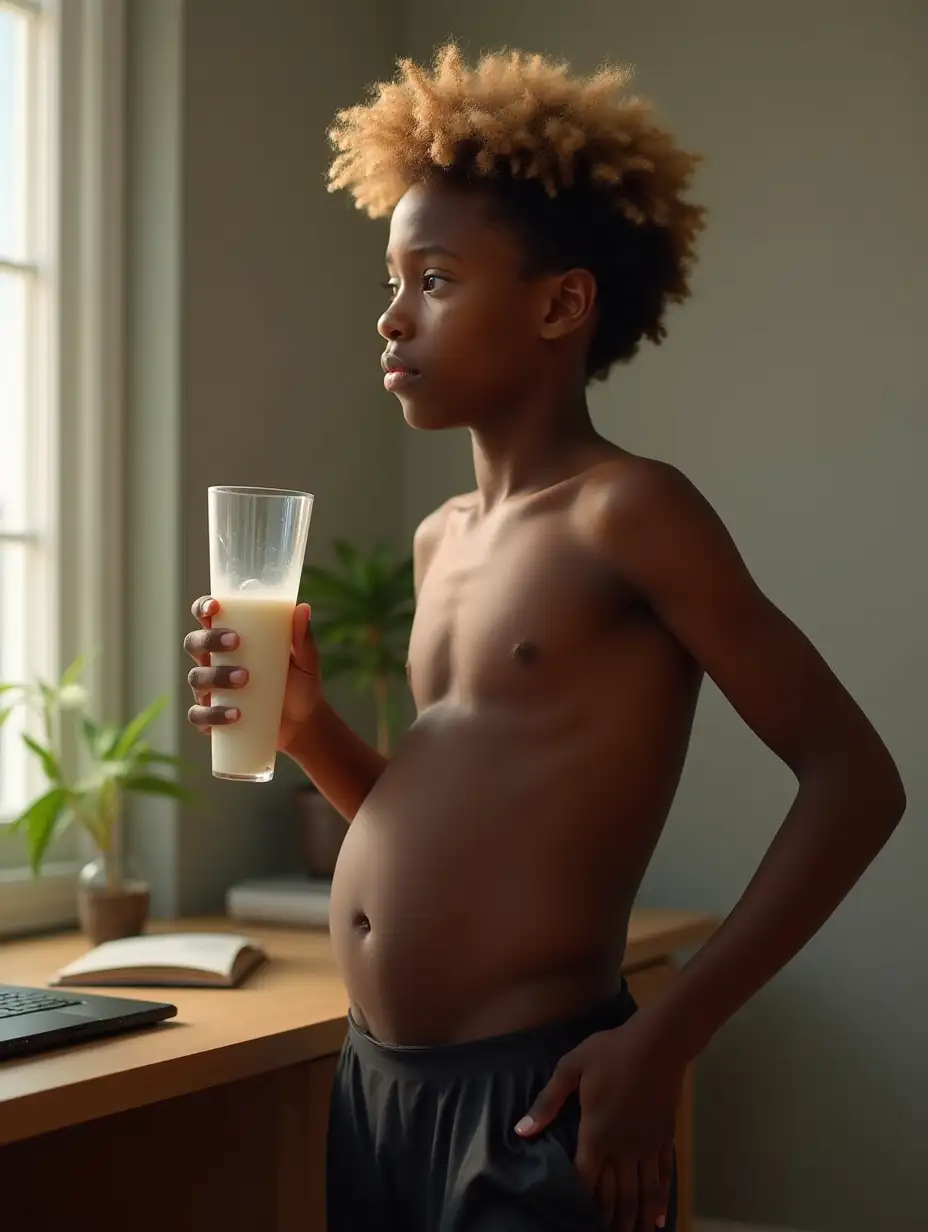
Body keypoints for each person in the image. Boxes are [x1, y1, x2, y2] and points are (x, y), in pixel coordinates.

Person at [183, 46, 906, 1232]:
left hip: (535, 1093)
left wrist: (666, 1037)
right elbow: (451, 825)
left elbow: (855, 782)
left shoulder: (631, 512)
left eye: (433, 279)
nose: (390, 314)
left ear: (560, 303)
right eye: (391, 277)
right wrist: (310, 732)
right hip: (376, 1085)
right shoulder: (439, 538)